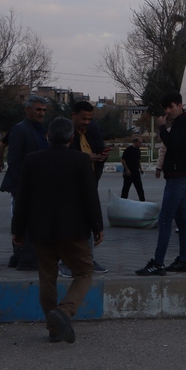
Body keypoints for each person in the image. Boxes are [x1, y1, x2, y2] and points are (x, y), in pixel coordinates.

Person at [10, 116, 104, 344]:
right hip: (73, 230)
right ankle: (64, 312)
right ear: (72, 138)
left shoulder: (32, 160)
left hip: (40, 231)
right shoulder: (81, 160)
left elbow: (22, 198)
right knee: (84, 272)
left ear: (48, 137)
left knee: (47, 278)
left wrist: (17, 230)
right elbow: (90, 197)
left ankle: (54, 329)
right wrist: (97, 227)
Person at [136, 93, 186, 276]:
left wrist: (162, 128)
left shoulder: (182, 123)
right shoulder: (184, 124)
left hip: (178, 178)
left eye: (171, 107)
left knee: (165, 219)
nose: (168, 111)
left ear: (180, 105)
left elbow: (172, 144)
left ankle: (158, 262)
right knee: (181, 219)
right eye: (165, 108)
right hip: (185, 177)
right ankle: (183, 260)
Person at [0, 95, 50, 270]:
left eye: (43, 110)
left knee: (27, 221)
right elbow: (13, 160)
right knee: (24, 221)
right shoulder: (20, 130)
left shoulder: (39, 129)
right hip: (23, 185)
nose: (41, 113)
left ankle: (19, 256)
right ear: (27, 109)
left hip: (36, 184)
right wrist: (22, 186)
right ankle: (26, 258)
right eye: (38, 109)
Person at [68, 100, 110, 273]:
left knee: (88, 223)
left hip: (90, 183)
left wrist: (101, 156)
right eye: (83, 119)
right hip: (71, 187)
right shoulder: (66, 132)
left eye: (89, 119)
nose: (86, 122)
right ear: (74, 115)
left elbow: (99, 149)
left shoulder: (92, 130)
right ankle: (67, 263)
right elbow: (63, 156)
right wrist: (87, 159)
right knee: (71, 226)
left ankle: (89, 260)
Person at [121, 136, 146, 201]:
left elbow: (138, 160)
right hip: (128, 173)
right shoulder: (128, 150)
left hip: (136, 172)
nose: (141, 144)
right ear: (135, 142)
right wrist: (127, 170)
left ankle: (143, 202)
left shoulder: (138, 150)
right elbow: (123, 160)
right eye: (139, 143)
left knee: (140, 188)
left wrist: (140, 168)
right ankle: (123, 202)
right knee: (126, 189)